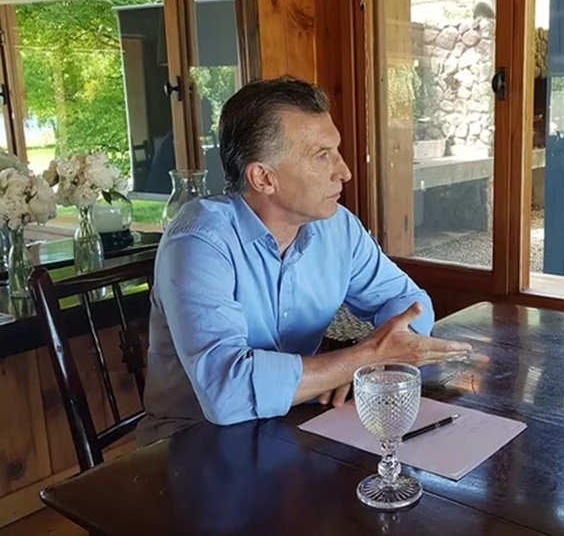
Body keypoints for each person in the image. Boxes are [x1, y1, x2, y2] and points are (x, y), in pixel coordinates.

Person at [138, 77, 471, 443]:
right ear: (264, 177)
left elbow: (408, 301)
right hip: (192, 444)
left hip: (295, 427)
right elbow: (226, 393)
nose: (344, 171)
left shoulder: (337, 227)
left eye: (336, 151)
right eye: (321, 155)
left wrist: (382, 360)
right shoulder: (199, 241)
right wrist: (362, 358)